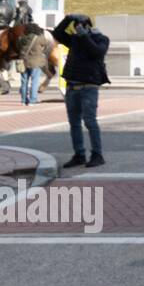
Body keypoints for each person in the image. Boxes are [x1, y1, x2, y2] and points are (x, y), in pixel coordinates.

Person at [51, 13, 110, 169]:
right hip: (72, 87)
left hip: (88, 87)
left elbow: (97, 52)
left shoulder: (101, 39)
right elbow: (57, 33)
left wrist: (85, 37)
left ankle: (97, 155)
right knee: (74, 124)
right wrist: (68, 19)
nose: (78, 28)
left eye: (81, 25)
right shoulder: (74, 40)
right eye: (76, 25)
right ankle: (79, 155)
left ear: (88, 26)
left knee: (90, 121)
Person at [18, 26, 45, 105]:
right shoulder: (40, 38)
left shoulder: (21, 38)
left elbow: (19, 46)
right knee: (35, 81)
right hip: (36, 63)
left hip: (23, 62)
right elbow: (46, 44)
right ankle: (33, 100)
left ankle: (23, 100)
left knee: (24, 81)